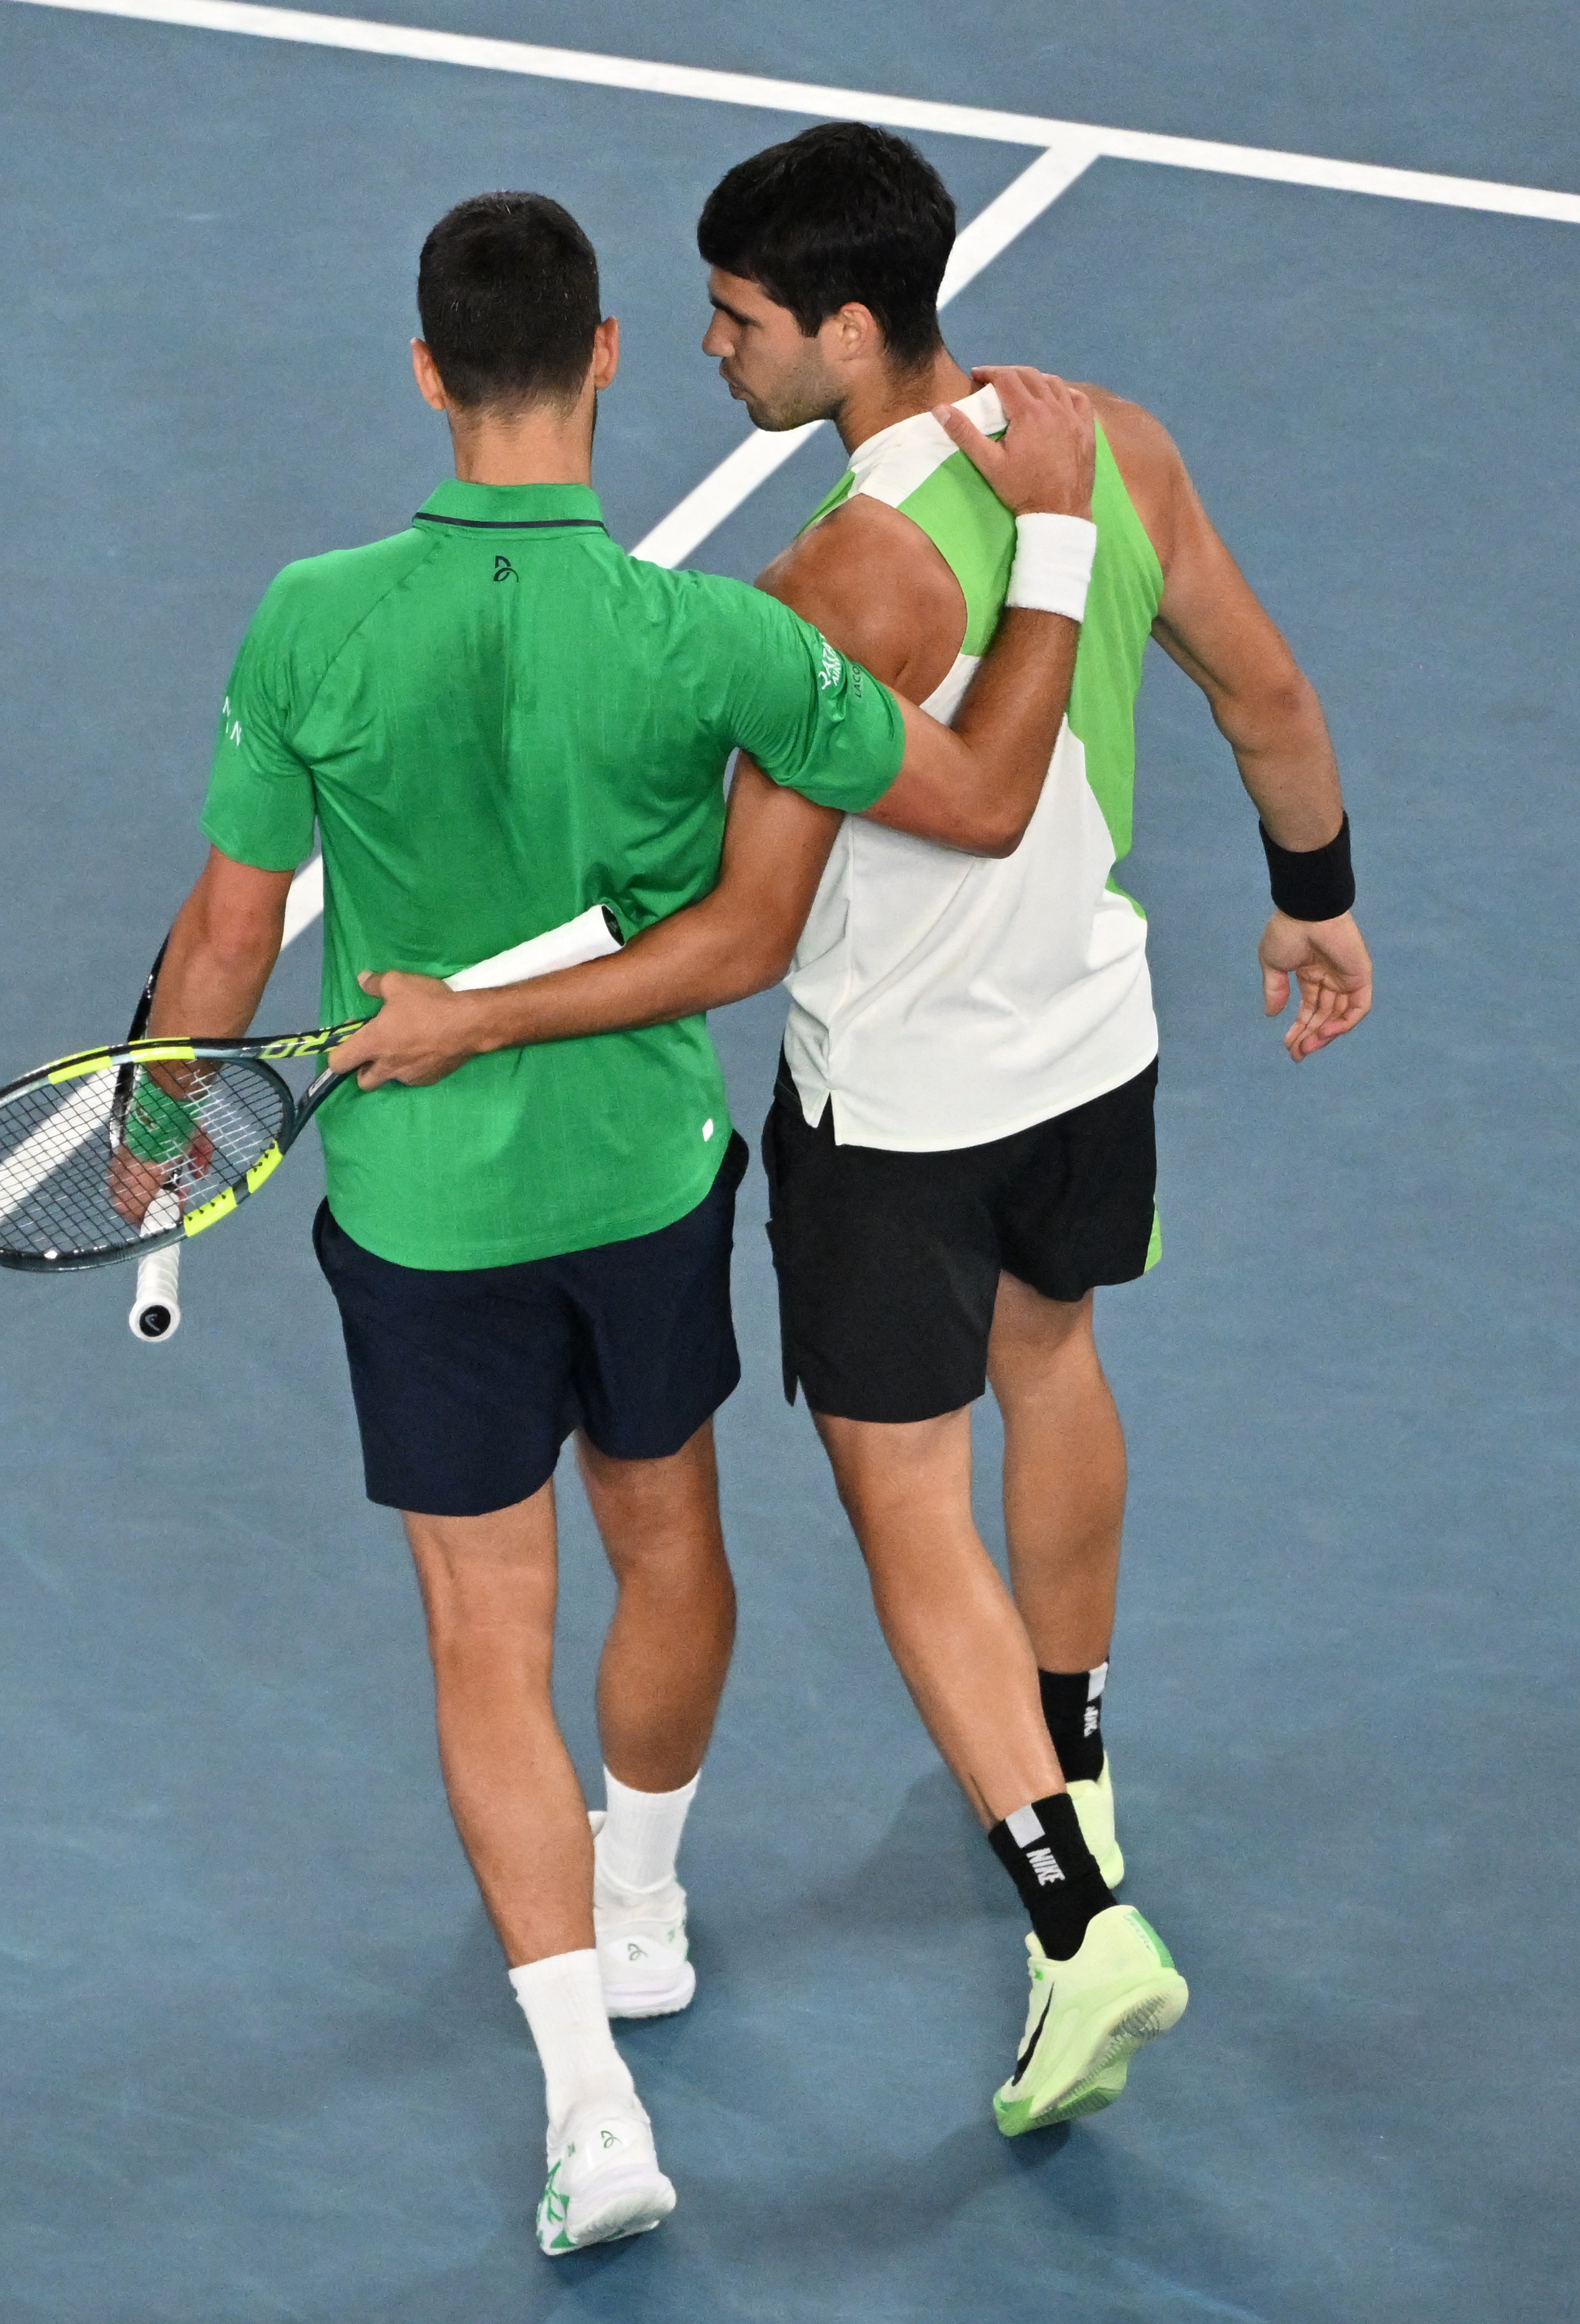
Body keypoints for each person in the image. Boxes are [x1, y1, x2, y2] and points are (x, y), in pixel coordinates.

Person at [329, 120, 1374, 2140]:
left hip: (899, 1113)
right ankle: (1072, 1760)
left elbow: (732, 927)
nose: (709, 352)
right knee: (1056, 1365)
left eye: (737, 322)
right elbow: (1266, 693)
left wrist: (482, 1008)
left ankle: (1078, 1925)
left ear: (845, 325)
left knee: (908, 1503)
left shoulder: (830, 585)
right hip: (1092, 1040)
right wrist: (1316, 895)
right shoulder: (1110, 439)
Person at [137, 191, 1097, 2254]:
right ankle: (642, 1893)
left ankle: (587, 2096)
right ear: (595, 361)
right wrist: (1059, 565)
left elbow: (226, 933)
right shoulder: (716, 635)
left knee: (487, 1629)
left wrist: (160, 1134)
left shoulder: (310, 618)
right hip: (645, 1185)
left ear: (424, 373)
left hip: (417, 1212)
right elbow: (982, 798)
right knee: (668, 1535)